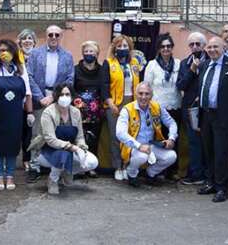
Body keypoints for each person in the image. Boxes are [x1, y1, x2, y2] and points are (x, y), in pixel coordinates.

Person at [196, 37, 228, 203]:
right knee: (208, 150)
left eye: (215, 46)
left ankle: (222, 187)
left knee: (222, 152)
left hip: (223, 116)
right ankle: (210, 182)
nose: (212, 50)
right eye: (209, 47)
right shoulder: (203, 65)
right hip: (205, 114)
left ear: (223, 47)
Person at [26, 25, 75, 182]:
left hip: (59, 99)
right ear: (46, 36)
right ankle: (34, 166)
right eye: (50, 34)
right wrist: (40, 97)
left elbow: (69, 79)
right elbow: (29, 76)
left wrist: (54, 97)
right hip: (39, 98)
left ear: (61, 37)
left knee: (57, 132)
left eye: (57, 35)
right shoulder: (35, 53)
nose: (53, 37)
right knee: (37, 133)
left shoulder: (67, 56)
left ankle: (55, 165)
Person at [29, 84, 99, 195]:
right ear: (56, 96)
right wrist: (72, 147)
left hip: (70, 150)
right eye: (61, 94)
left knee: (92, 162)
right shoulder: (48, 112)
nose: (64, 97)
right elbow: (50, 139)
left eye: (67, 94)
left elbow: (80, 136)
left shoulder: (76, 112)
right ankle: (53, 180)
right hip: (47, 151)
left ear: (72, 96)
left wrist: (81, 148)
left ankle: (67, 171)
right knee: (63, 155)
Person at [0, 39, 34, 191]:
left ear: (14, 53)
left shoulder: (20, 69)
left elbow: (27, 93)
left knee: (13, 145)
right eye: (1, 50)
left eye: (8, 50)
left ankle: (10, 175)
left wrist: (30, 113)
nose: (4, 53)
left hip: (15, 114)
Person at [116, 82, 178, 187]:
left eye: (147, 94)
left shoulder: (157, 107)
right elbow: (120, 133)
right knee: (142, 157)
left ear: (151, 95)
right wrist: (139, 146)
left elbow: (171, 123)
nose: (143, 97)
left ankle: (151, 173)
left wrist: (171, 138)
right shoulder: (127, 109)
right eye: (140, 93)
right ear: (136, 94)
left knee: (172, 156)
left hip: (152, 145)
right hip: (133, 147)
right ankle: (131, 173)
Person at [143, 33, 184, 179]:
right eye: (163, 46)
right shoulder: (152, 65)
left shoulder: (179, 64)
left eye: (168, 46)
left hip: (175, 106)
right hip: (157, 108)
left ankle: (173, 170)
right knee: (158, 140)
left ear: (172, 47)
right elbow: (146, 87)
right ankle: (157, 169)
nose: (166, 49)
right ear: (159, 49)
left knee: (173, 138)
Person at [103, 35, 141, 181]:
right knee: (116, 136)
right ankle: (117, 167)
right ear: (115, 48)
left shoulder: (135, 63)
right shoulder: (108, 63)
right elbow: (104, 86)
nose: (123, 49)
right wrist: (111, 103)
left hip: (132, 103)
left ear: (130, 48)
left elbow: (139, 83)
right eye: (120, 46)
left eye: (125, 46)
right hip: (114, 104)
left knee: (130, 136)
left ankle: (127, 165)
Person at [176, 32, 208, 185]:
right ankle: (196, 174)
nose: (195, 47)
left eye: (198, 44)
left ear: (204, 45)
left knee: (207, 142)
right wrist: (192, 69)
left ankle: (208, 173)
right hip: (190, 109)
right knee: (193, 142)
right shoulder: (184, 63)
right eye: (191, 44)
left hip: (207, 108)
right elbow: (181, 85)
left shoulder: (211, 60)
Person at [73, 40, 106, 177]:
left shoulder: (102, 70)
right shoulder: (75, 69)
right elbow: (71, 87)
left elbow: (104, 87)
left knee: (94, 139)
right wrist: (78, 102)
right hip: (79, 110)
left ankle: (91, 167)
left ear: (97, 53)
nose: (88, 54)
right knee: (79, 138)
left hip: (96, 111)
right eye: (86, 52)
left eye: (91, 51)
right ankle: (79, 167)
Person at [17, 28, 38, 171]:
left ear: (34, 42)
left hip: (36, 97)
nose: (27, 41)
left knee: (31, 131)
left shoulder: (38, 56)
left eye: (30, 38)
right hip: (19, 98)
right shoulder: (15, 57)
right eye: (24, 38)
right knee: (20, 129)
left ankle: (28, 158)